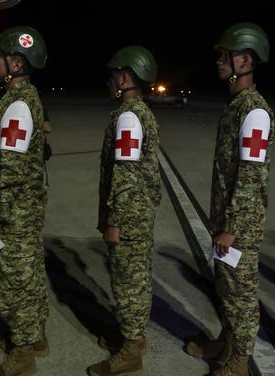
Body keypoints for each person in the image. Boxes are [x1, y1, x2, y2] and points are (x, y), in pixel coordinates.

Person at [183, 22, 274, 376]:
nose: (220, 60)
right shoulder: (236, 105)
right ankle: (226, 341)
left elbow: (251, 176)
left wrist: (232, 228)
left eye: (227, 55)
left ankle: (239, 362)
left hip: (241, 224)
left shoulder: (254, 110)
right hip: (227, 217)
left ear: (247, 60)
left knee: (241, 294)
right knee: (226, 287)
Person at [0, 25, 50, 376]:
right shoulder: (25, 100)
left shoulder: (18, 106)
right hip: (26, 210)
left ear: (17, 64)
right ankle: (36, 338)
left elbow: (10, 169)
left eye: (0, 56)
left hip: (13, 215)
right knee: (31, 274)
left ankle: (22, 358)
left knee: (14, 284)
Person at [87, 45, 162, 376]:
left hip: (128, 216)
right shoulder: (140, 112)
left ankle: (131, 353)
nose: (110, 80)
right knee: (137, 279)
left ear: (126, 77)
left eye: (113, 74)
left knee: (128, 282)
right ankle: (136, 339)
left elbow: (126, 173)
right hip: (139, 213)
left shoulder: (129, 117)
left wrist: (115, 221)